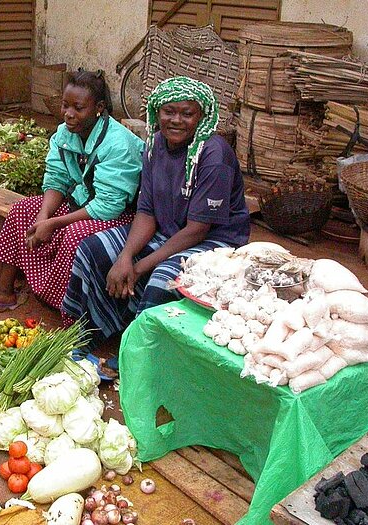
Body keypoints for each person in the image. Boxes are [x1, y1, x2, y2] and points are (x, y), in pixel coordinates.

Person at [62, 76, 250, 373]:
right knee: (93, 248)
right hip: (168, 229)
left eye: (187, 113)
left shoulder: (214, 155)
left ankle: (138, 354)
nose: (176, 120)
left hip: (215, 241)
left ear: (201, 117)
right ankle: (91, 330)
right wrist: (124, 257)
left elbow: (197, 230)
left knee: (163, 276)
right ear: (156, 112)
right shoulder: (154, 146)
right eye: (168, 112)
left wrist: (137, 268)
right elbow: (147, 212)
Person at [0, 70, 145, 312]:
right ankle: (3, 289)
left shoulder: (117, 144)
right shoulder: (64, 134)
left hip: (119, 215)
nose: (69, 114)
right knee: (22, 210)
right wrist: (43, 216)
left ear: (99, 107)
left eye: (78, 108)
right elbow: (56, 180)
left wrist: (55, 223)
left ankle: (63, 306)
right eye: (65, 106)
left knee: (73, 235)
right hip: (82, 202)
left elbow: (108, 206)